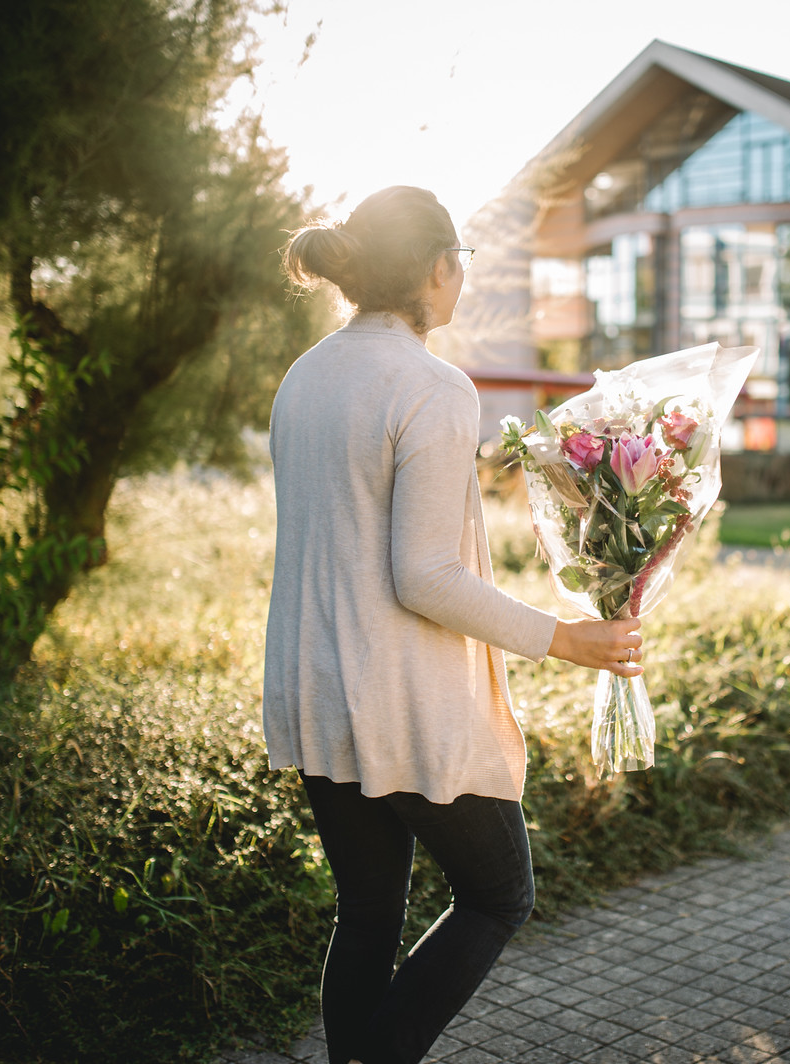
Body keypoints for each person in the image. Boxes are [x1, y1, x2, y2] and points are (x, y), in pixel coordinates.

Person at [264, 185, 643, 1064]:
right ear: (439, 269)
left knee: (364, 912)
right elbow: (423, 575)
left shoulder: (304, 375)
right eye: (462, 264)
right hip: (400, 698)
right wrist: (566, 636)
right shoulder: (432, 387)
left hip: (314, 686)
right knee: (497, 894)